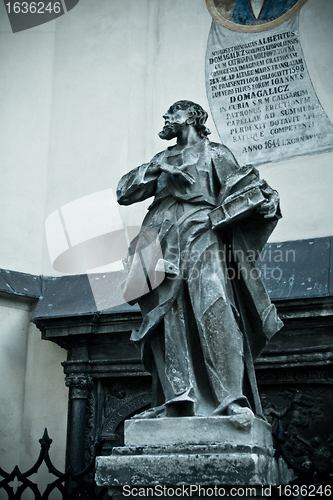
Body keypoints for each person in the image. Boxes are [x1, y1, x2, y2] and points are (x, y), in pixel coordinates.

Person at [117, 100, 283, 427]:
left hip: (201, 230)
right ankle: (177, 399)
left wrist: (267, 197)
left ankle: (232, 398)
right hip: (158, 239)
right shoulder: (162, 159)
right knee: (168, 319)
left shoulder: (215, 154)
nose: (165, 117)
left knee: (215, 304)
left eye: (173, 112)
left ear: (191, 117)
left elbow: (244, 189)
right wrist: (158, 170)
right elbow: (124, 192)